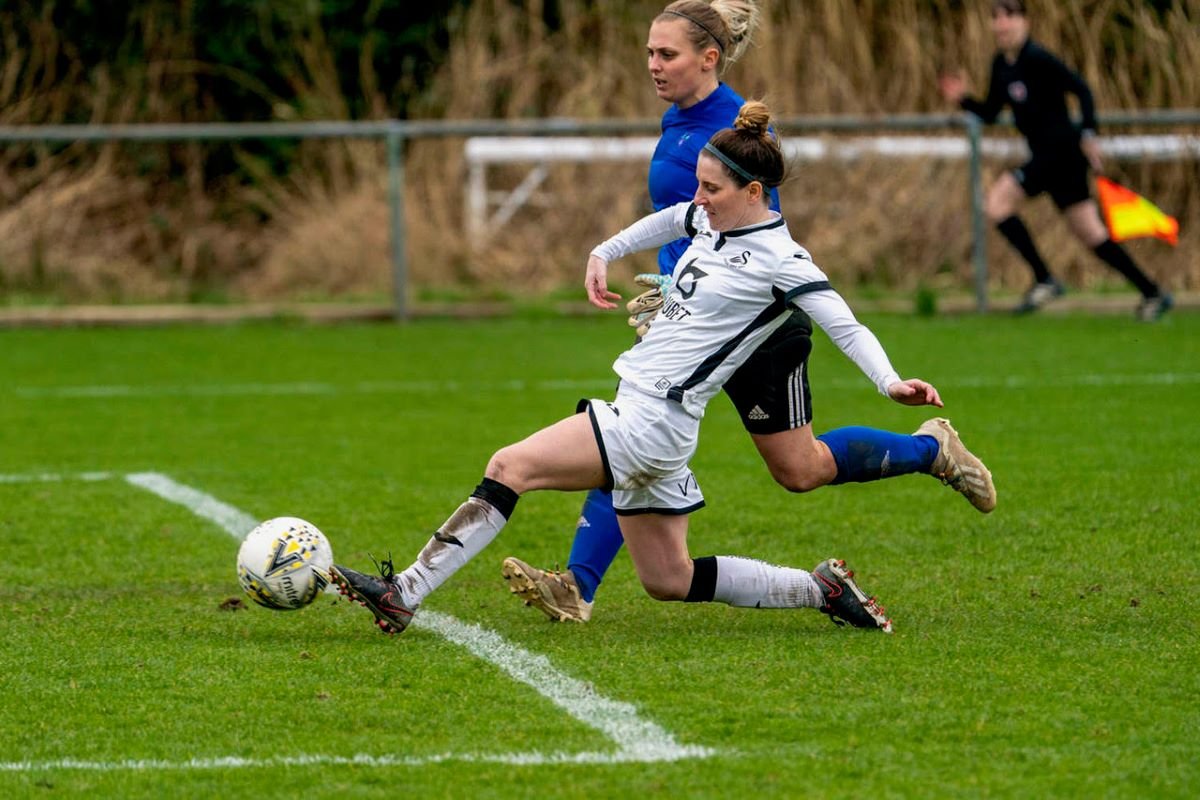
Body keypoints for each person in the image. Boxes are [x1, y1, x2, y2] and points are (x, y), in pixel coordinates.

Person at [331, 102, 990, 637]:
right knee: (667, 580)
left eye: (712, 188)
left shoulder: (782, 260)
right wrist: (603, 252)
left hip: (651, 419)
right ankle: (818, 588)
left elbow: (845, 323)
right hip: (660, 425)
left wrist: (889, 382)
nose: (698, 199)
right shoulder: (710, 222)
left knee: (510, 467)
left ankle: (404, 592)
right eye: (699, 184)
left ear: (754, 192)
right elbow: (669, 217)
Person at [498, 0, 997, 626]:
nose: (652, 65)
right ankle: (578, 583)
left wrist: (709, 291)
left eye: (667, 54)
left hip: (752, 325)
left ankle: (931, 451)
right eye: (649, 53)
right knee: (627, 432)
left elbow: (757, 233)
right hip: (693, 318)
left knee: (799, 470)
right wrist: (666, 281)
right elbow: (686, 219)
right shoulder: (677, 120)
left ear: (709, 59)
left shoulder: (733, 126)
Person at [938, 0, 1172, 321]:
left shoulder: (1039, 59)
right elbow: (991, 112)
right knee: (1091, 234)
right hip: (1051, 160)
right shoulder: (1001, 65)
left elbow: (1083, 90)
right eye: (996, 18)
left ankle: (1045, 278)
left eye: (1009, 17)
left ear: (1025, 22)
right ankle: (1152, 292)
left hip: (1062, 155)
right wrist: (963, 99)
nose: (1002, 25)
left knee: (997, 203)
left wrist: (1089, 132)